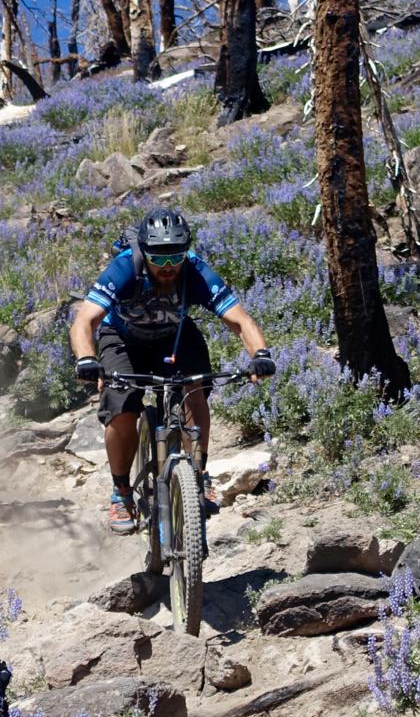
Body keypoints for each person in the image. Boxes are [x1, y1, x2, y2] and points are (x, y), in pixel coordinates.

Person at [70, 208, 275, 534]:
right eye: (158, 258)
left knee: (196, 393)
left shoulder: (195, 271)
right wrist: (86, 359)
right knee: (123, 409)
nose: (168, 267)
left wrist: (260, 355)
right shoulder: (124, 268)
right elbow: (85, 321)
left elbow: (240, 321)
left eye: (175, 257)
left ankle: (198, 473)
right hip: (123, 340)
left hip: (174, 339)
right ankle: (121, 490)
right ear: (143, 252)